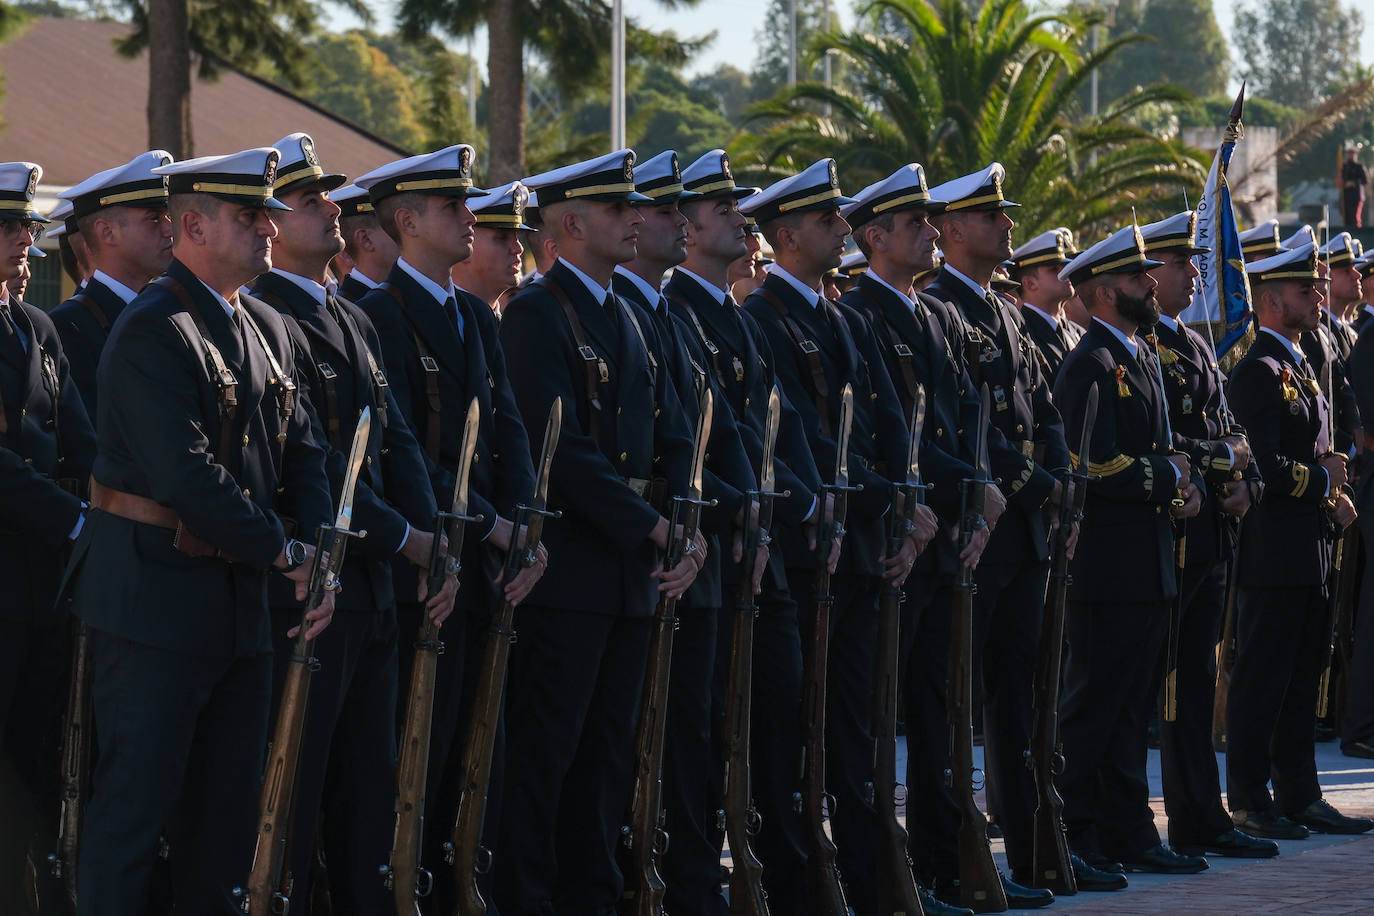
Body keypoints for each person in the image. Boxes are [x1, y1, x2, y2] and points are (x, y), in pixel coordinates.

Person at [67, 146, 336, 912]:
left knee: (224, 827)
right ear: (192, 224)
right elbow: (187, 476)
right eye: (249, 217)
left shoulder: (267, 328)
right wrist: (285, 550)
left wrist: (314, 549)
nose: (267, 231)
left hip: (237, 607)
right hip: (153, 600)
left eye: (267, 217)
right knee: (133, 819)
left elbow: (306, 453)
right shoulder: (156, 327)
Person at [248, 132, 456, 909]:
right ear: (272, 224)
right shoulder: (270, 318)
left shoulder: (353, 315)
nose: (331, 208)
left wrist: (434, 540)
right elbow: (321, 466)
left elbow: (396, 443)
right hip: (317, 588)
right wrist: (409, 539)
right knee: (297, 797)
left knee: (375, 792)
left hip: (376, 589)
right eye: (309, 202)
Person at [494, 149, 703, 916]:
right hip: (574, 568)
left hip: (632, 570)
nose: (636, 220)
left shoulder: (627, 311)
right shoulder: (538, 311)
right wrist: (651, 525)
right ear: (572, 224)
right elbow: (563, 451)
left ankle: (593, 895)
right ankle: (534, 898)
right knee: (551, 751)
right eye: (619, 211)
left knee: (612, 752)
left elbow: (674, 431)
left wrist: (685, 523)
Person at [741, 157, 936, 914]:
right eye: (828, 222)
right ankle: (812, 887)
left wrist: (907, 504)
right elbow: (802, 442)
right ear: (785, 236)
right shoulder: (766, 319)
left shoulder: (840, 316)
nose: (842, 230)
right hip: (808, 552)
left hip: (861, 549)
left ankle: (866, 880)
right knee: (803, 733)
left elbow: (887, 426)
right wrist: (891, 499)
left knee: (856, 729)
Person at [355, 143, 542, 913]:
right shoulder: (376, 317)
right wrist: (484, 526)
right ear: (406, 221)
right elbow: (401, 449)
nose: (471, 216)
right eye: (452, 207)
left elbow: (509, 428)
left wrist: (524, 527)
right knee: (409, 761)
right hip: (419, 573)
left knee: (475, 752)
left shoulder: (471, 315)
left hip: (485, 565)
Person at [838, 162, 1007, 915]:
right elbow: (887, 436)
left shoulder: (935, 315)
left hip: (946, 536)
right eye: (914, 225)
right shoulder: (865, 312)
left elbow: (962, 421)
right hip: (898, 536)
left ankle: (944, 865)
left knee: (944, 714)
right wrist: (963, 490)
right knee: (880, 718)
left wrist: (974, 499)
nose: (931, 233)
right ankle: (886, 874)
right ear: (874, 239)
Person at [665, 147, 823, 914]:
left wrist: (796, 502)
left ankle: (786, 885)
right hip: (726, 553)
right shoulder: (682, 312)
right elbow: (710, 439)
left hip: (768, 553)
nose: (742, 221)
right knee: (706, 737)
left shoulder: (734, 316)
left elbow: (776, 436)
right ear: (687, 232)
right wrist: (751, 511)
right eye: (724, 210)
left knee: (777, 731)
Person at [609, 148, 759, 915]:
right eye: (665, 210)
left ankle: (695, 884)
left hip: (697, 546)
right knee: (646, 742)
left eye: (673, 210)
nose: (662, 222)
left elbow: (716, 432)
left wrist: (743, 510)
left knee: (698, 734)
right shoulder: (631, 309)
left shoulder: (673, 312)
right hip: (649, 554)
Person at [916, 163, 1067, 907]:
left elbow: (1044, 412)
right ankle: (950, 857)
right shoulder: (940, 307)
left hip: (1025, 530)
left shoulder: (1005, 313)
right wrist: (1038, 484)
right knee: (956, 705)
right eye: (989, 216)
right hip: (979, 533)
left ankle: (1024, 850)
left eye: (1005, 214)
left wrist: (1061, 476)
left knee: (1018, 698)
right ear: (948, 232)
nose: (1008, 225)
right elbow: (968, 426)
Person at [1052, 224, 1209, 879]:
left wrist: (1183, 485)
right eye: (1140, 277)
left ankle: (1130, 830)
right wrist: (1171, 478)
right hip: (1105, 570)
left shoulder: (1139, 356)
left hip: (1147, 562)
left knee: (1132, 708)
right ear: (1105, 292)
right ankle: (1078, 832)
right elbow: (1089, 463)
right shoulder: (1089, 363)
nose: (1153, 283)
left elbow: (1162, 449)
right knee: (1094, 707)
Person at [1137, 211, 1276, 860]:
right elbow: (1162, 437)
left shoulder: (1190, 342)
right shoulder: (1148, 347)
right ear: (1147, 275)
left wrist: (1238, 465)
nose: (1195, 272)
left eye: (1194, 261)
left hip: (1212, 527)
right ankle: (1184, 813)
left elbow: (1229, 426)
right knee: (1171, 687)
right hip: (1176, 533)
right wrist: (1223, 460)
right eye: (1179, 264)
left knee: (1198, 679)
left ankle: (1205, 813)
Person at [1225, 241, 1373, 838]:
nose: (1318, 295)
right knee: (1263, 676)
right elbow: (1263, 463)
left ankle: (1298, 790)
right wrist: (1322, 480)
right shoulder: (1257, 370)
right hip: (1272, 547)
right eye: (1304, 289)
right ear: (1269, 300)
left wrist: (1331, 477)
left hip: (1309, 546)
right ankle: (1249, 797)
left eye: (1317, 286)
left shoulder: (1304, 361)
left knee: (1302, 676)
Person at [0, 161, 97, 907]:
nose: (22, 244)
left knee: (36, 761)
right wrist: (74, 520)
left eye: (27, 229)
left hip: (48, 585)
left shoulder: (35, 324)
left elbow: (81, 443)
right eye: (6, 230)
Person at [50, 150, 175, 417]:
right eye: (153, 218)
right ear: (106, 232)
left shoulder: (174, 312)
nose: (169, 229)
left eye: (169, 216)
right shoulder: (69, 327)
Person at [1008, 228, 1082, 385]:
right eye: (1054, 269)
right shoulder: (1020, 334)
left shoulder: (1078, 332)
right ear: (1029, 283)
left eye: (1065, 266)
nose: (1065, 273)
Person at [452, 180, 530, 313]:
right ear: (464, 243)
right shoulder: (445, 321)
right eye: (502, 238)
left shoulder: (513, 325)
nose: (518, 249)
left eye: (516, 237)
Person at [332, 182, 398, 304]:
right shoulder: (347, 314)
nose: (406, 235)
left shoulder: (402, 300)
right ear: (365, 239)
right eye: (393, 228)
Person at [1341, 148, 1368, 228]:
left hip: (1356, 196)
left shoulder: (1359, 167)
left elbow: (1365, 180)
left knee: (1355, 218)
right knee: (1347, 218)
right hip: (1346, 196)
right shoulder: (1344, 167)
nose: (1350, 156)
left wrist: (1353, 183)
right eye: (1349, 154)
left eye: (1352, 154)